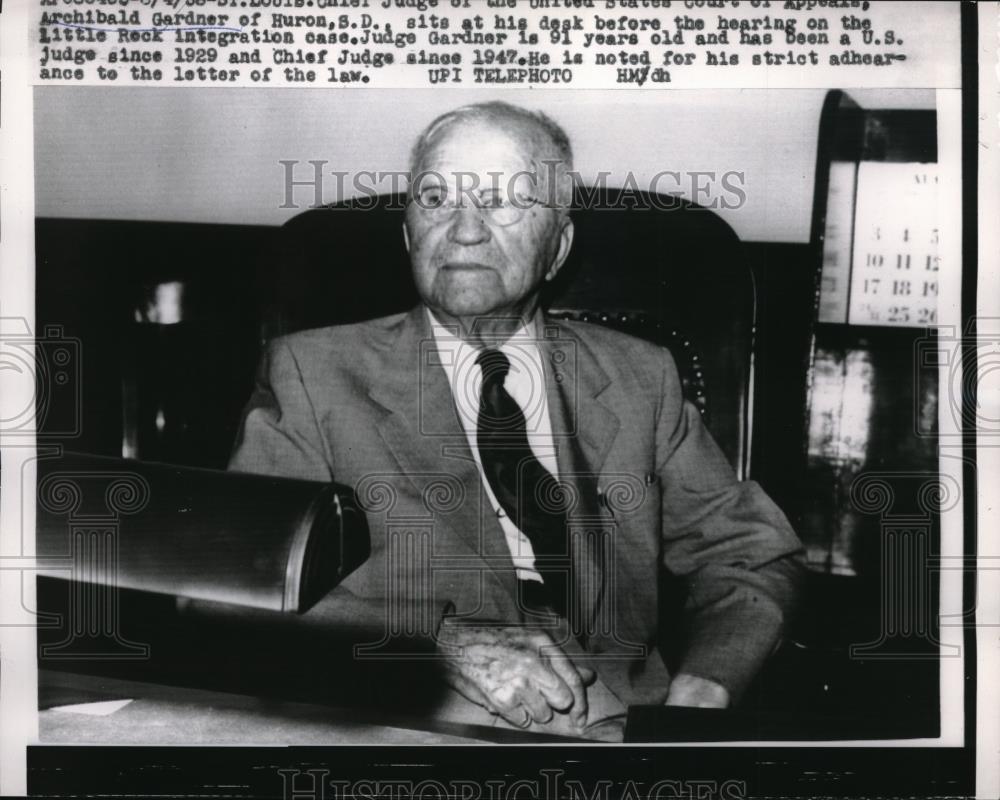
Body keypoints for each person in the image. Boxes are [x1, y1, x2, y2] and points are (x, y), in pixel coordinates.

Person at [229, 101, 805, 740]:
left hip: (620, 736)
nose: (465, 229)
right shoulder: (312, 373)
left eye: (505, 201)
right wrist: (442, 642)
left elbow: (749, 552)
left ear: (558, 248)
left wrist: (705, 688)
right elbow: (245, 577)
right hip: (410, 725)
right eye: (436, 198)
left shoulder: (642, 378)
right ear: (407, 236)